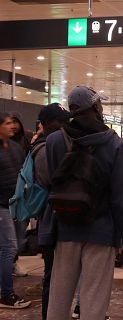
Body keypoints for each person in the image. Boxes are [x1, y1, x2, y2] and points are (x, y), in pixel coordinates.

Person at [44, 85, 123, 320]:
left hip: (65, 228)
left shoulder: (55, 140)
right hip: (101, 231)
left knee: (58, 298)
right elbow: (120, 199)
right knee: (94, 301)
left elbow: (52, 184)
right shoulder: (114, 144)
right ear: (96, 107)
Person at [32, 103, 71, 319]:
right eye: (60, 122)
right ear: (45, 125)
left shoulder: (55, 144)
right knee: (52, 275)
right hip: (51, 220)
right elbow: (53, 182)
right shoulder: (45, 149)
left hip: (57, 218)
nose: (64, 127)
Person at [0, 112, 30, 309]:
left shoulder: (15, 147)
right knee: (9, 248)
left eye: (13, 123)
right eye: (7, 123)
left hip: (16, 205)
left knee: (14, 246)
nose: (12, 126)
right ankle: (7, 294)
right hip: (1, 206)